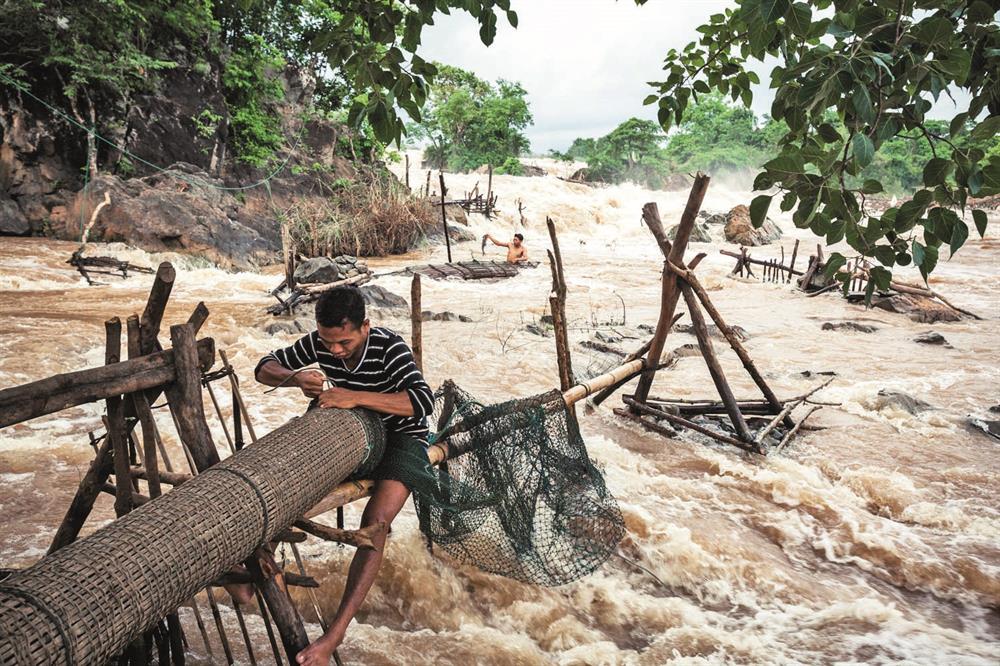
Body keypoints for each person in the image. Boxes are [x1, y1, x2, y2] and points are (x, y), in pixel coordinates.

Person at [254, 286, 435, 665]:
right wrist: (293, 378)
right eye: (328, 343)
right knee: (288, 480)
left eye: (344, 342)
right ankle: (252, 566)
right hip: (350, 433)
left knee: (375, 525)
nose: (335, 351)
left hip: (402, 435)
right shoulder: (321, 343)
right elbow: (263, 367)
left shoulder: (389, 347)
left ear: (365, 326)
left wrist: (354, 395)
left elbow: (421, 401)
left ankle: (333, 636)